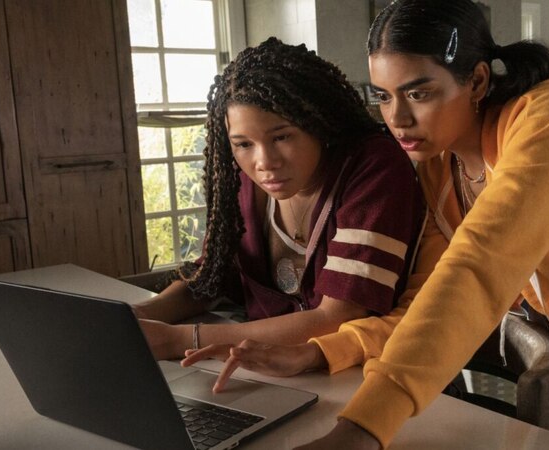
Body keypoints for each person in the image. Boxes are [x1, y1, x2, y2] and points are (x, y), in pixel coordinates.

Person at [184, 2, 549, 449]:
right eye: (383, 96)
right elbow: (426, 295)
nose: (397, 119)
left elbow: (476, 269)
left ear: (475, 80)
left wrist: (363, 427)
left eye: (419, 93)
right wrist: (320, 351)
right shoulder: (438, 162)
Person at [135, 38, 425, 361]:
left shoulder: (374, 167)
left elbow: (337, 319)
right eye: (243, 144)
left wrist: (180, 340)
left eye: (282, 137)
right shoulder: (246, 184)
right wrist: (140, 315)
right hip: (266, 372)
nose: (264, 162)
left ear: (317, 123)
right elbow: (212, 277)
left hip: (368, 376)